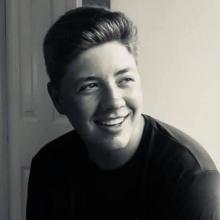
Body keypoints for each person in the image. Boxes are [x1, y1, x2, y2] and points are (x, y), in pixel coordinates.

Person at [26, 6, 220, 220]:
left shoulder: (190, 178)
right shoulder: (48, 166)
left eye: (124, 80)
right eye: (90, 86)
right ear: (57, 99)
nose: (113, 102)